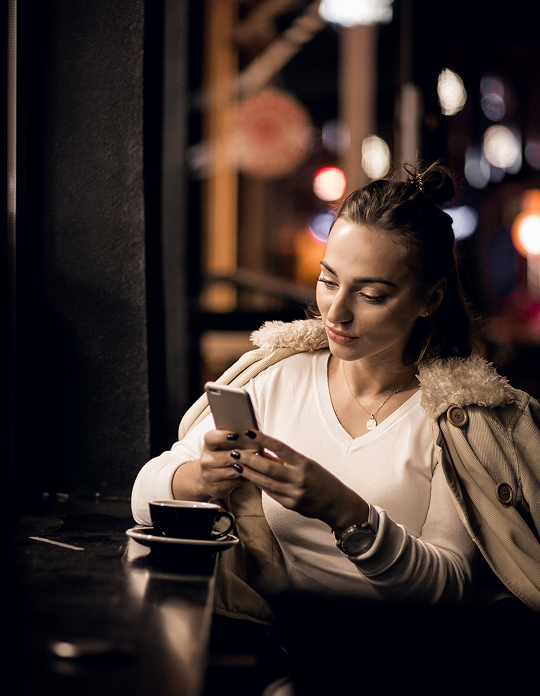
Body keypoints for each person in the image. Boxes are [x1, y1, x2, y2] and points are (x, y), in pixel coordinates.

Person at [132, 163, 540, 626]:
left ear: (430, 299)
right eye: (329, 281)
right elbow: (143, 494)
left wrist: (344, 511)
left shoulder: (454, 421)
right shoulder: (280, 378)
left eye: (370, 295)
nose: (337, 313)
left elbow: (445, 588)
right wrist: (202, 478)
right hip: (281, 642)